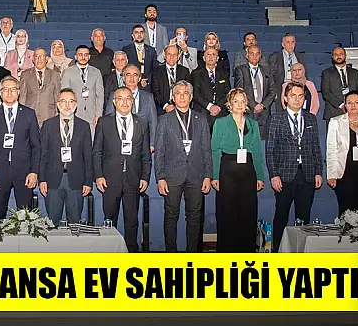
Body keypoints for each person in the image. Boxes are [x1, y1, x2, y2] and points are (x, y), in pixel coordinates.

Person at [155, 80, 212, 252]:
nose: (181, 97)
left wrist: (208, 175)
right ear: (173, 97)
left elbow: (206, 150)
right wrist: (160, 177)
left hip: (196, 174)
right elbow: (159, 152)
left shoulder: (201, 119)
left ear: (191, 96)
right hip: (172, 176)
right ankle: (171, 255)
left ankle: (191, 255)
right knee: (171, 217)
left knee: (194, 217)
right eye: (178, 93)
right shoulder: (164, 120)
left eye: (185, 93)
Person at [266, 82, 324, 252]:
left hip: (307, 174)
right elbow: (270, 150)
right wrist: (274, 175)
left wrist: (318, 172)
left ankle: (301, 254)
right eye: (293, 96)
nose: (297, 99)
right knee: (281, 215)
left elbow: (315, 147)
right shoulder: (276, 118)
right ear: (285, 98)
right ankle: (277, 252)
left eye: (300, 96)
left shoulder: (311, 118)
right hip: (284, 175)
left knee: (304, 217)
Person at [94, 86, 151, 252]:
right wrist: (98, 175)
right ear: (114, 102)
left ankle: (131, 254)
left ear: (133, 102)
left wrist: (145, 177)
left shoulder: (142, 122)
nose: (125, 102)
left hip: (133, 180)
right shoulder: (104, 122)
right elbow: (97, 152)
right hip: (109, 179)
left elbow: (145, 154)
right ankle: (108, 255)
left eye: (128, 98)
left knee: (132, 221)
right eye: (120, 98)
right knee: (109, 220)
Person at [210, 88, 265, 252]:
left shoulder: (253, 124)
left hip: (248, 171)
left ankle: (246, 251)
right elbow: (215, 151)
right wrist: (215, 176)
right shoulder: (220, 123)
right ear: (229, 104)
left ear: (246, 104)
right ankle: (227, 251)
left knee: (248, 211)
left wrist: (260, 176)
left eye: (242, 101)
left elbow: (257, 151)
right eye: (236, 101)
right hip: (227, 171)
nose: (239, 104)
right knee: (227, 212)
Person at [0, 76, 41, 226]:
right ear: (0, 93)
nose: (9, 93)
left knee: (26, 217)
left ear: (19, 92)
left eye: (13, 89)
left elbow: (36, 146)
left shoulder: (29, 114)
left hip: (24, 172)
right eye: (5, 89)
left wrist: (34, 172)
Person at [39, 88, 93, 225]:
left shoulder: (84, 126)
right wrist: (42, 179)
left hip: (76, 180)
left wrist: (88, 181)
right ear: (58, 104)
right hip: (52, 180)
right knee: (52, 224)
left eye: (71, 101)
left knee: (75, 224)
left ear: (76, 104)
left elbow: (88, 156)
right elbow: (43, 154)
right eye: (63, 101)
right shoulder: (48, 125)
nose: (67, 105)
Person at [105, 65, 157, 152]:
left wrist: (152, 144)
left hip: (142, 144)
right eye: (128, 74)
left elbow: (153, 122)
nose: (132, 78)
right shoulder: (114, 95)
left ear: (139, 78)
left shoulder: (148, 97)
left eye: (135, 75)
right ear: (123, 78)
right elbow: (108, 120)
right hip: (119, 143)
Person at [61, 45, 104, 138]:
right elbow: (64, 95)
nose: (83, 57)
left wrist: (98, 114)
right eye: (80, 54)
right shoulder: (68, 72)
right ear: (76, 57)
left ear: (89, 57)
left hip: (92, 115)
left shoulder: (96, 72)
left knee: (91, 141)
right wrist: (67, 114)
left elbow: (100, 95)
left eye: (86, 55)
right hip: (74, 114)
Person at [233, 44, 275, 139]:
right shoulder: (240, 70)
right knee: (248, 140)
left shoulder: (267, 70)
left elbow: (272, 90)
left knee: (262, 141)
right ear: (247, 56)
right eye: (252, 53)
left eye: (257, 54)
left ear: (260, 56)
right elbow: (240, 91)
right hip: (248, 110)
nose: (254, 56)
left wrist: (263, 105)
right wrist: (254, 105)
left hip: (264, 112)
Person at [321, 46, 358, 126]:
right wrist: (342, 105)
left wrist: (352, 104)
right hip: (334, 111)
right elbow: (326, 93)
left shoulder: (355, 73)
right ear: (332, 57)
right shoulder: (326, 73)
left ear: (345, 55)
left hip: (353, 110)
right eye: (336, 54)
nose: (338, 56)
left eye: (341, 54)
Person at [191, 46, 231, 127]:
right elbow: (196, 94)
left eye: (213, 54)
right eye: (208, 54)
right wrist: (210, 107)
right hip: (202, 112)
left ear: (217, 58)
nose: (211, 57)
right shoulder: (196, 74)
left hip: (220, 112)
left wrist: (218, 107)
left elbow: (228, 93)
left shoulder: (223, 74)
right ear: (204, 58)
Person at [20, 48, 61, 126]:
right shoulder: (25, 74)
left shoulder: (55, 75)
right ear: (33, 59)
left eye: (42, 56)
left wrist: (57, 116)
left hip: (49, 116)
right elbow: (22, 97)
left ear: (46, 59)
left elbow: (57, 96)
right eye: (36, 56)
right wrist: (22, 116)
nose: (39, 58)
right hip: (30, 117)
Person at [269, 33, 305, 110]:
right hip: (281, 90)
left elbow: (304, 74)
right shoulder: (275, 56)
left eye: (292, 42)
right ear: (283, 44)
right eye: (288, 42)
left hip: (296, 89)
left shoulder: (300, 56)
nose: (290, 45)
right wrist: (274, 91)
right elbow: (270, 75)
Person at [152, 44, 190, 115]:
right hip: (162, 109)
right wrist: (166, 106)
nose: (172, 57)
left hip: (181, 108)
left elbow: (187, 92)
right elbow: (155, 93)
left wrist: (178, 106)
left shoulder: (185, 71)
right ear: (164, 56)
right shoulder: (157, 72)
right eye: (169, 54)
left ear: (178, 57)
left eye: (174, 55)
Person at [122, 24, 156, 90]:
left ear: (144, 35)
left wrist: (147, 80)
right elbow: (125, 69)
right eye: (136, 32)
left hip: (147, 86)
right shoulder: (126, 50)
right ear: (132, 36)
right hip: (132, 84)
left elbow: (155, 68)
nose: (139, 35)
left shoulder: (151, 50)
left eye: (141, 32)